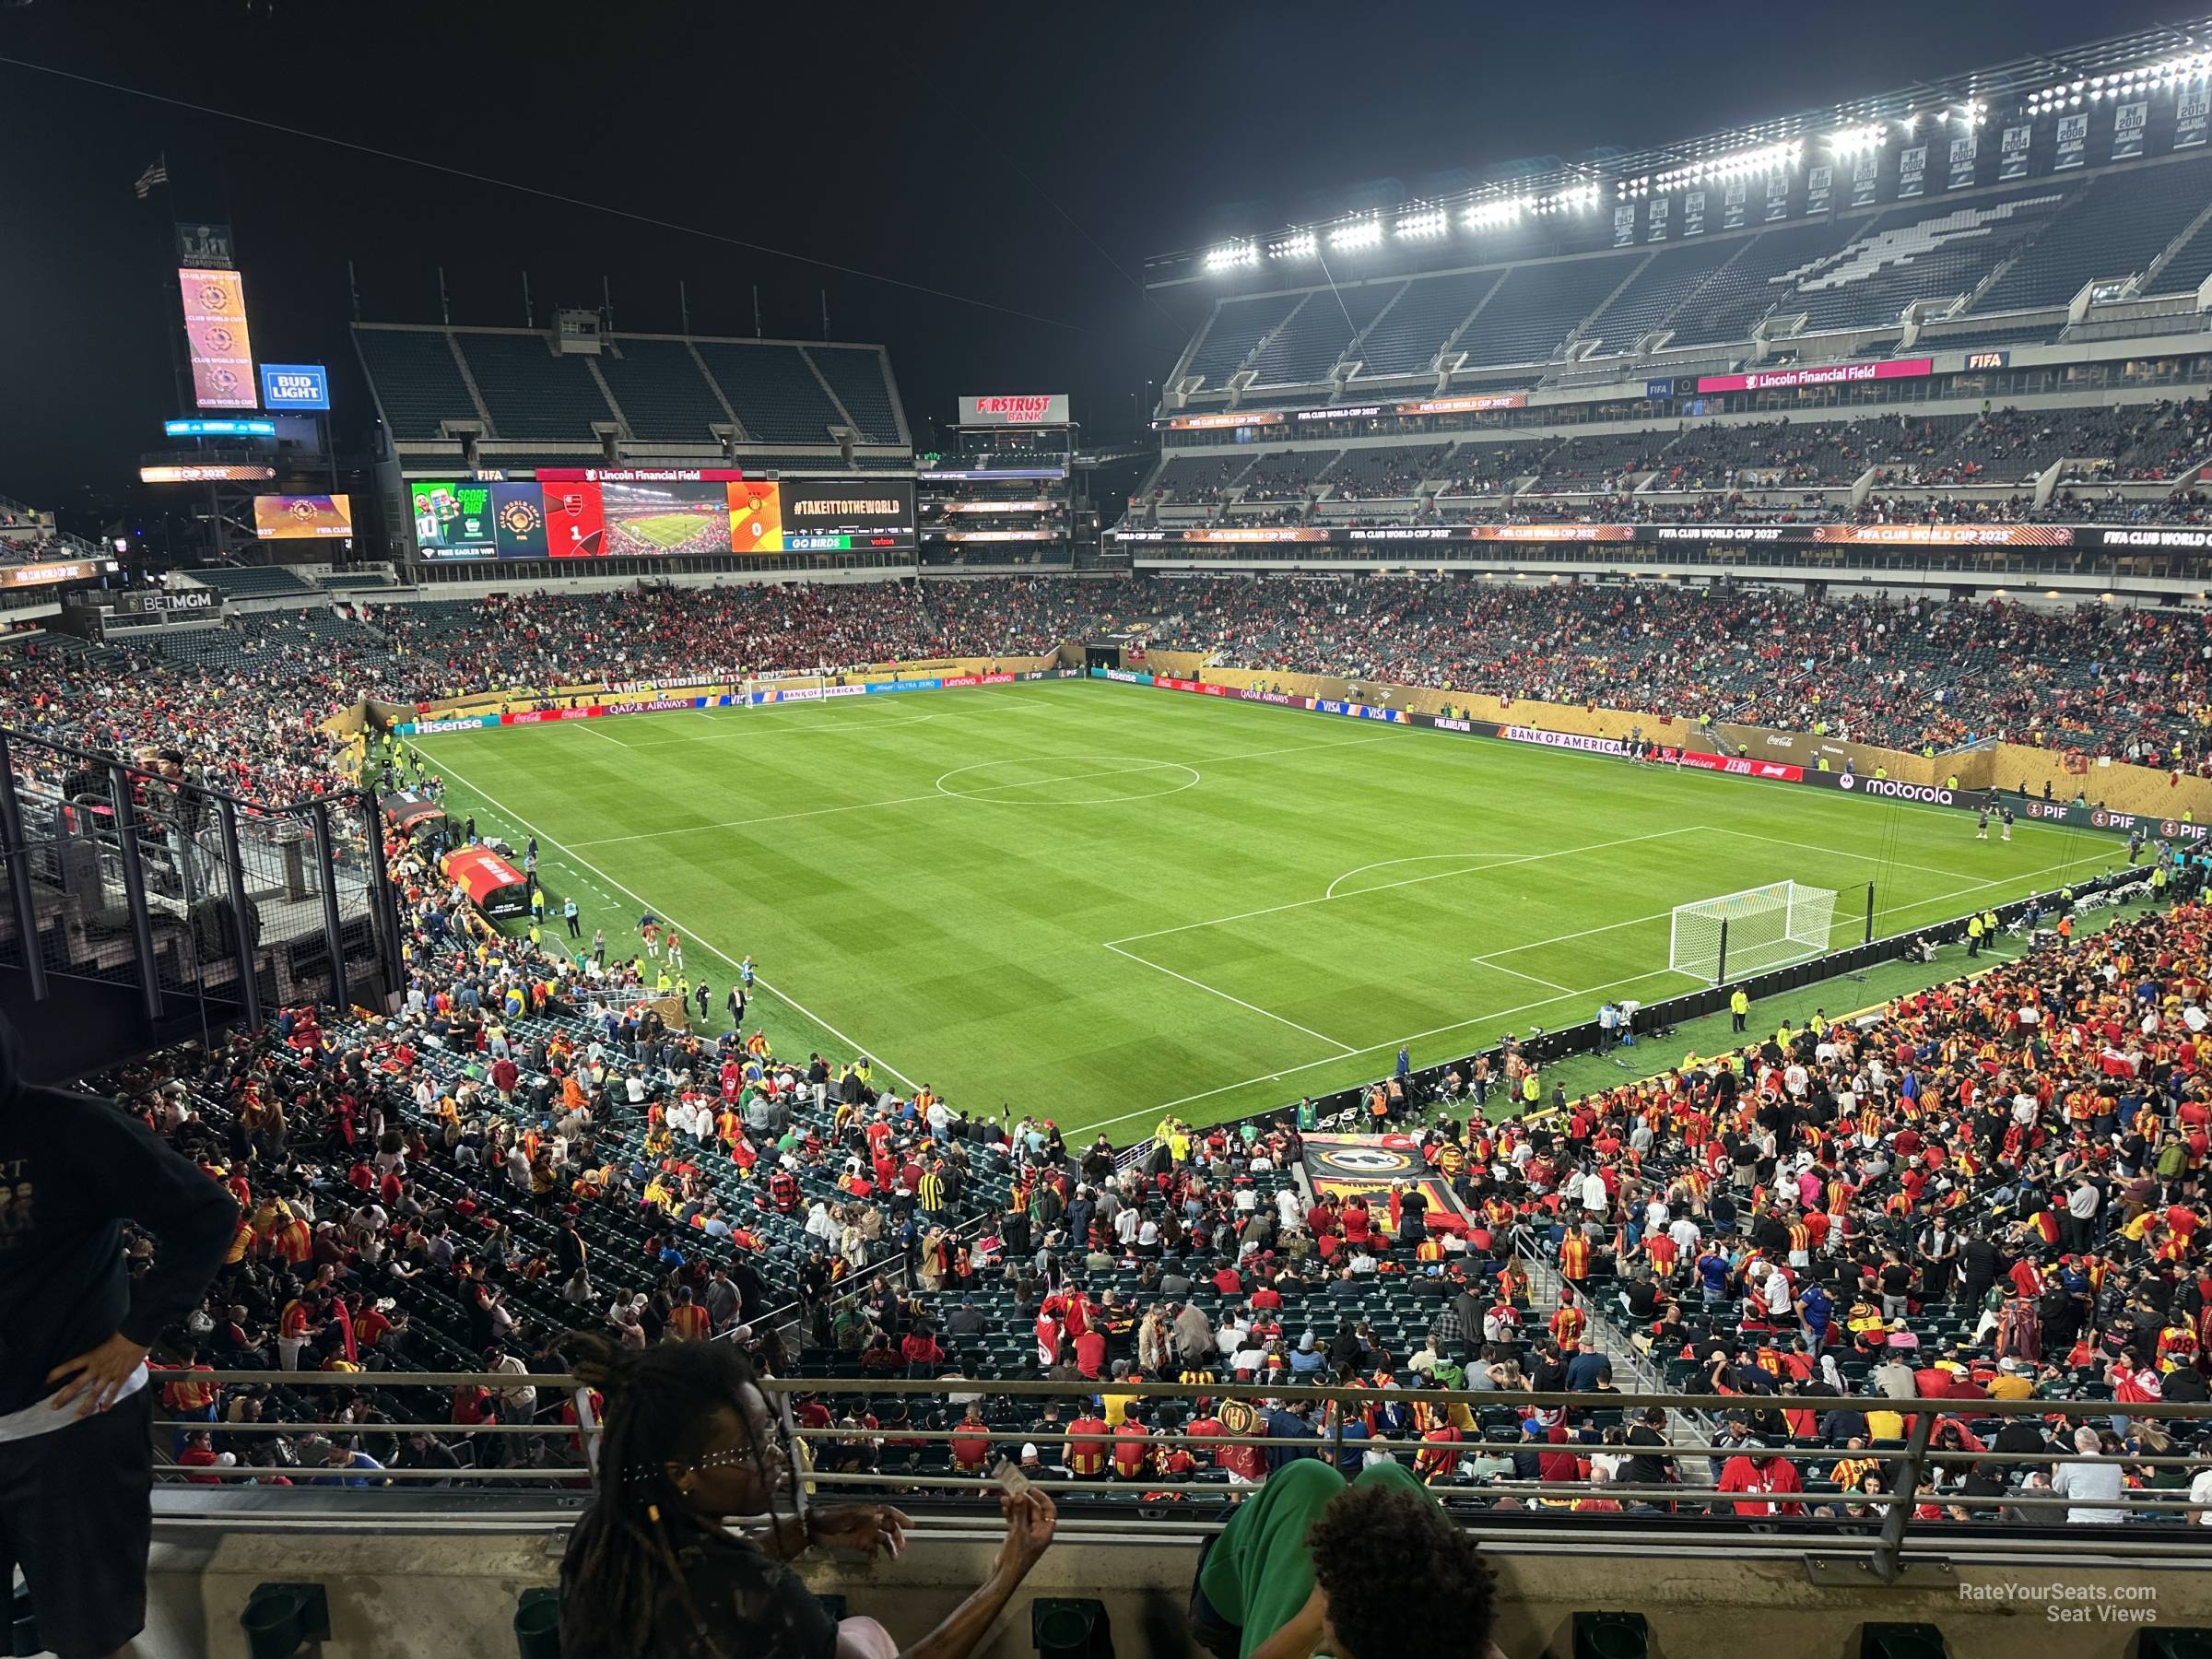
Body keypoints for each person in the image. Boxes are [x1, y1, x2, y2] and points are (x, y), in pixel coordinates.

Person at [557, 1335, 1056, 1659]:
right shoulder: (762, 1594)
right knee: (867, 1636)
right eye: (753, 1444)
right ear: (682, 1473)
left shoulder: (604, 1534)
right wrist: (1008, 1571)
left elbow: (708, 1577)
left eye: (772, 1432)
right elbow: (733, 1592)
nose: (776, 1452)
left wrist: (809, 1527)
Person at [0, 1013, 240, 1659]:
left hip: (70, 1431)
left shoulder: (70, 1127)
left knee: (91, 1635)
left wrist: (135, 1334)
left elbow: (209, 1214)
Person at [1187, 1456, 1498, 1659]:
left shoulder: (1328, 1616)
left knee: (1308, 1479)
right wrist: (1465, 1625)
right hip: (1428, 1639)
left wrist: (1316, 1613)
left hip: (1230, 1614)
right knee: (1388, 1477)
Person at [2051, 1424, 2126, 1524]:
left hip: (2080, 1522)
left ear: (2077, 1445)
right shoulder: (2115, 1465)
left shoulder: (2070, 1463)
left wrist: (2055, 1469)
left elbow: (2058, 1488)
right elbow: (2120, 1491)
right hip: (2113, 1522)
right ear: (2099, 1444)